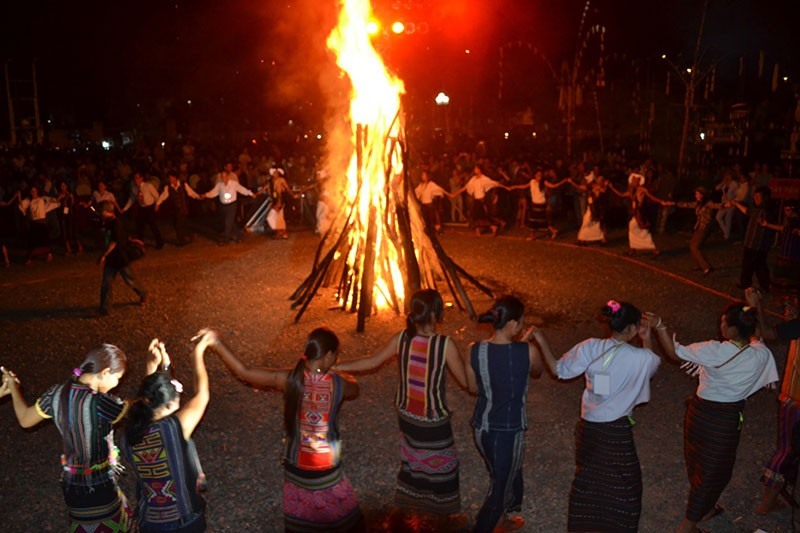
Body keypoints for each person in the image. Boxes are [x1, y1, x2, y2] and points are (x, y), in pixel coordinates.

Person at [335, 289, 469, 523]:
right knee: (446, 464)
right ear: (436, 313)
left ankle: (409, 504)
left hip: (406, 414)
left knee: (413, 459)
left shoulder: (401, 339)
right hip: (432, 419)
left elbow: (371, 361)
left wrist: (335, 367)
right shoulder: (444, 345)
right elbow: (468, 383)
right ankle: (446, 513)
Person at [212, 327, 364, 532]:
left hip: (295, 470)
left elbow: (245, 372)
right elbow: (355, 387)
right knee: (347, 521)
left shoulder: (290, 379)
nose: (336, 361)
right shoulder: (338, 384)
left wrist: (218, 343)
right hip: (327, 471)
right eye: (335, 356)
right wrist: (336, 372)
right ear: (328, 356)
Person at [651, 300, 779, 533]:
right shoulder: (761, 354)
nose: (720, 324)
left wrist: (659, 325)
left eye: (723, 322)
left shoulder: (713, 349)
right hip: (726, 420)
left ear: (730, 330)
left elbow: (673, 352)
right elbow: (758, 334)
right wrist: (754, 306)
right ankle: (693, 521)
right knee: (715, 471)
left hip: (699, 413)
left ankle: (694, 518)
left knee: (698, 463)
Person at [536, 300, 661, 532]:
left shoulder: (590, 346)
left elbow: (558, 370)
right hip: (616, 432)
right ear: (633, 328)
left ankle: (583, 525)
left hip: (589, 428)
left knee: (589, 480)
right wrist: (646, 338)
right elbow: (652, 364)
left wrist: (542, 340)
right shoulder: (641, 358)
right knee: (626, 487)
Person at [0, 344, 149, 532]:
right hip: (100, 487)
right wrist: (153, 370)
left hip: (72, 486)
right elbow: (136, 408)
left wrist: (13, 388)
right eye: (117, 378)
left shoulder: (55, 394)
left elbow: (25, 420)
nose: (117, 384)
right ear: (104, 372)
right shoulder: (101, 404)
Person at [464, 296, 544, 532]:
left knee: (505, 470)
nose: (521, 326)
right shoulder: (527, 351)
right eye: (520, 322)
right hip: (508, 432)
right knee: (499, 487)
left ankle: (507, 513)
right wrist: (527, 347)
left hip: (481, 427)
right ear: (511, 324)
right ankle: (487, 524)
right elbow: (537, 371)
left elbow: (473, 388)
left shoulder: (474, 350)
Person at [121, 332, 215, 532]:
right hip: (184, 521)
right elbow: (202, 394)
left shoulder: (129, 434)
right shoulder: (173, 428)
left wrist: (157, 367)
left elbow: (147, 398)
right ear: (169, 405)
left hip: (150, 523)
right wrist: (198, 353)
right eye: (177, 403)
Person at [98, 200, 147, 316]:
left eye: (102, 211)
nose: (101, 214)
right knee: (106, 283)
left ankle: (143, 294)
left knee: (131, 280)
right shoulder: (107, 222)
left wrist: (104, 255)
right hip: (112, 259)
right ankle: (105, 309)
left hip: (120, 258)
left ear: (107, 212)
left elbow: (114, 242)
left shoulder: (116, 223)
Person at [731, 186, 778, 292]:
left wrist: (735, 203)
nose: (755, 199)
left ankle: (752, 284)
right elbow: (747, 211)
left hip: (756, 244)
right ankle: (759, 285)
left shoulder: (763, 211)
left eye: (758, 197)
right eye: (754, 196)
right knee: (756, 265)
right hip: (755, 244)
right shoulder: (762, 211)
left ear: (764, 198)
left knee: (754, 265)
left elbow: (747, 211)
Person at [611, 172, 669, 256]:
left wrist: (661, 202)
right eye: (634, 180)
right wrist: (611, 187)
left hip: (641, 214)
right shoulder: (631, 192)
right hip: (636, 214)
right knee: (636, 229)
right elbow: (621, 194)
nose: (635, 182)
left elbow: (651, 197)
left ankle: (646, 249)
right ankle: (637, 249)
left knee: (636, 228)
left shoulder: (642, 190)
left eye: (637, 180)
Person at [671, 186, 724, 275]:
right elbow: (688, 205)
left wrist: (726, 205)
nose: (695, 195)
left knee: (695, 246)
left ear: (702, 195)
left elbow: (716, 206)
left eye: (697, 194)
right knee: (693, 245)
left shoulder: (708, 203)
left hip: (705, 227)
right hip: (699, 227)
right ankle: (700, 264)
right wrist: (674, 204)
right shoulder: (698, 203)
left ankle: (706, 267)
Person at [509, 168, 566, 240]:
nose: (539, 176)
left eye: (540, 175)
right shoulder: (532, 182)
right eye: (538, 175)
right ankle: (537, 234)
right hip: (534, 204)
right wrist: (515, 187)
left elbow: (553, 186)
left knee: (540, 220)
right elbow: (524, 186)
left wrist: (563, 181)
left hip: (541, 204)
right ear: (535, 175)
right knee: (534, 220)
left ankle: (552, 231)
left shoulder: (544, 182)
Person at [204, 166, 254, 245]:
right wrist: (206, 195)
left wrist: (250, 193)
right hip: (224, 205)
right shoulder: (219, 185)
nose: (223, 178)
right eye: (222, 177)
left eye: (224, 176)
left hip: (232, 205)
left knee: (228, 222)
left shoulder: (233, 184)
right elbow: (213, 192)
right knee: (230, 222)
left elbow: (242, 189)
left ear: (227, 176)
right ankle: (239, 236)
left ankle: (225, 240)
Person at [156, 172, 202, 246]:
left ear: (175, 178)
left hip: (184, 208)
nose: (169, 179)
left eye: (170, 178)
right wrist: (158, 203)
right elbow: (163, 196)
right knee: (180, 224)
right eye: (169, 178)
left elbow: (191, 193)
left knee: (179, 224)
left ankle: (182, 240)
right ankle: (185, 237)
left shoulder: (183, 185)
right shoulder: (168, 187)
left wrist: (198, 196)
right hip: (175, 209)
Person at [122, 172, 164, 250]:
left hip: (149, 207)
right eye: (135, 178)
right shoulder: (134, 188)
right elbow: (132, 199)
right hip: (142, 208)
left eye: (138, 178)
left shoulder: (148, 186)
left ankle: (160, 242)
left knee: (153, 226)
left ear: (142, 178)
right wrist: (125, 208)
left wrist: (157, 204)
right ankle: (140, 243)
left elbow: (156, 195)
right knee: (140, 226)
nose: (136, 180)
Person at [571, 174, 611, 245]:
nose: (586, 182)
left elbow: (603, 191)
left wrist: (604, 186)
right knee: (587, 222)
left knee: (597, 223)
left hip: (597, 208)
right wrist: (572, 182)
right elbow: (580, 187)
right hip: (591, 208)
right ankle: (583, 239)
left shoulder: (598, 188)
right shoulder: (590, 188)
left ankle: (602, 239)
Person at [415, 169, 447, 234]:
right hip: (423, 205)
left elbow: (439, 189)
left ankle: (438, 230)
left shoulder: (431, 184)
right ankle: (429, 230)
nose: (422, 176)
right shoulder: (421, 185)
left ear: (427, 176)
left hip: (429, 205)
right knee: (426, 220)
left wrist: (438, 196)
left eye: (424, 175)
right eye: (422, 175)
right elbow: (416, 192)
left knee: (433, 219)